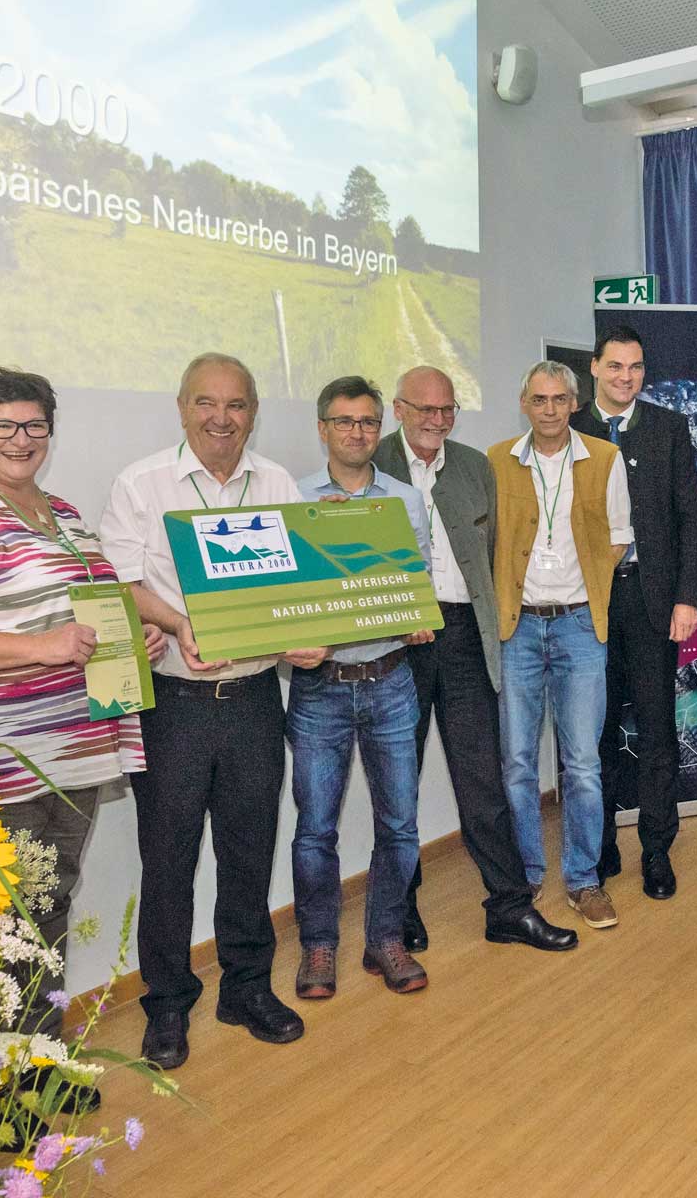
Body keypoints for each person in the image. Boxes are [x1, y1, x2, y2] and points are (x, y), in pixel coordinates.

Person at [0, 367, 165, 1049]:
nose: (22, 439)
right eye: (3, 426)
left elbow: (100, 611)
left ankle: (36, 1060)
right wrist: (42, 646)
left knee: (47, 910)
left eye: (35, 426)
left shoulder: (67, 515)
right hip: (0, 761)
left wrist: (143, 639)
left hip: (73, 753)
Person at [98, 353, 321, 1069]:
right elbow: (122, 582)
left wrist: (303, 637)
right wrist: (178, 620)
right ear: (182, 406)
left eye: (236, 405)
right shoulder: (142, 483)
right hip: (173, 703)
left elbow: (294, 583)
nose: (221, 418)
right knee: (168, 858)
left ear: (254, 411)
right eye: (206, 403)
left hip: (256, 698)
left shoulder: (279, 482)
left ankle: (247, 988)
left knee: (250, 848)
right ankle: (166, 1006)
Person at [373, 366, 578, 955]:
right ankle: (398, 909)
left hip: (463, 639)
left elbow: (494, 558)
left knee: (483, 778)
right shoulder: (374, 467)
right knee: (396, 784)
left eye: (447, 410)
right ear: (399, 409)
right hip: (396, 645)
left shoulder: (473, 466)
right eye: (425, 409)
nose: (437, 421)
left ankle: (508, 908)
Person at [286, 376, 434, 1000]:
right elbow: (282, 598)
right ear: (323, 429)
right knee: (315, 829)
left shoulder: (403, 501)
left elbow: (417, 583)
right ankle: (319, 945)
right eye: (345, 422)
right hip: (319, 688)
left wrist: (417, 615)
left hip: (392, 680)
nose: (357, 433)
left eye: (369, 423)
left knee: (399, 825)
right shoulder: (290, 500)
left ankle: (386, 937)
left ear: (382, 429)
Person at [491, 360, 633, 930]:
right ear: (524, 403)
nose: (549, 409)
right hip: (518, 627)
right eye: (538, 399)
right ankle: (525, 875)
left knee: (582, 763)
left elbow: (620, 539)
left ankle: (582, 879)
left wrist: (578, 585)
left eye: (559, 399)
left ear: (574, 403)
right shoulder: (497, 462)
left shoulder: (605, 460)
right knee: (518, 763)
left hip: (579, 627)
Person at [568, 324, 697, 900]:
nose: (627, 377)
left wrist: (687, 598)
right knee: (591, 737)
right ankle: (599, 848)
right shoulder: (568, 431)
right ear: (594, 368)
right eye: (616, 366)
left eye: (637, 368)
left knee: (656, 734)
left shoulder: (669, 430)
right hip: (588, 608)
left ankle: (657, 851)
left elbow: (689, 521)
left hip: (652, 606)